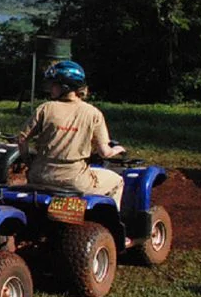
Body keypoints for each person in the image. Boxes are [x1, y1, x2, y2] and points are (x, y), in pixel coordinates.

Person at [17, 60, 126, 207]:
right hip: (74, 181)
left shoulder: (45, 108)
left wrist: (29, 162)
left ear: (65, 86)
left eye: (53, 84)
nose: (50, 88)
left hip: (39, 177)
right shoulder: (93, 113)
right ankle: (110, 220)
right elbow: (104, 153)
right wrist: (117, 149)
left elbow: (22, 139)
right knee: (117, 181)